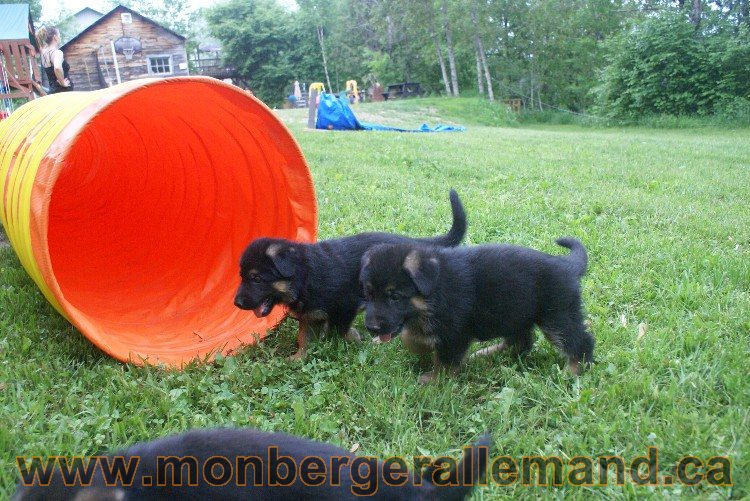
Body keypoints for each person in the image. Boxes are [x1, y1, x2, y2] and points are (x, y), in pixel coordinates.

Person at [36, 26, 72, 93]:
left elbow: (40, 45)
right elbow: (57, 68)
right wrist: (63, 83)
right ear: (55, 37)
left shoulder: (43, 53)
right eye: (59, 35)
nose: (59, 37)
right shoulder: (57, 53)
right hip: (63, 91)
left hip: (52, 91)